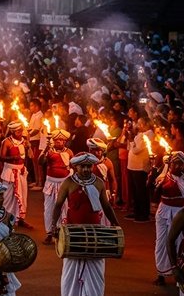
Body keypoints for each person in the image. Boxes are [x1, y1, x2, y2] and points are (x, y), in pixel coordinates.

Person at [50, 152, 120, 296]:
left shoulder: (98, 182)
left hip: (95, 232)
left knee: (96, 271)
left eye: (89, 166)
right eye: (83, 166)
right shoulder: (68, 183)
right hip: (73, 234)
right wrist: (53, 226)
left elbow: (106, 207)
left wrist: (115, 224)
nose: (86, 169)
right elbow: (58, 205)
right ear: (76, 167)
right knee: (71, 270)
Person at [152, 151, 184, 286]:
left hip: (181, 213)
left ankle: (180, 274)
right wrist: (157, 186)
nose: (177, 166)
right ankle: (161, 274)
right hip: (164, 212)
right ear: (170, 163)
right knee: (161, 242)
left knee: (180, 243)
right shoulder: (162, 178)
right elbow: (154, 198)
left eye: (181, 163)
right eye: (175, 163)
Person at [40, 129, 74, 244]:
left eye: (62, 140)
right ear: (53, 141)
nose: (59, 142)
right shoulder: (49, 151)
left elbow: (73, 166)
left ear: (65, 141)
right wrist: (46, 149)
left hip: (64, 184)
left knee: (64, 208)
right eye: (57, 140)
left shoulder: (69, 152)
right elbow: (41, 162)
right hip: (51, 183)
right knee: (49, 208)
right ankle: (50, 233)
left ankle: (62, 232)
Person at [0, 121, 32, 229]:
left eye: (21, 130)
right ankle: (6, 219)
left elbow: (30, 156)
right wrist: (13, 158)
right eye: (18, 131)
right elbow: (1, 157)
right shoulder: (7, 142)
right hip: (10, 172)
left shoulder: (24, 141)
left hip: (21, 172)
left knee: (23, 196)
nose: (20, 132)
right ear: (12, 131)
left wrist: (29, 147)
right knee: (8, 197)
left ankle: (20, 219)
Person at [126, 117, 154, 223]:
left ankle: (143, 213)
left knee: (141, 191)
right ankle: (137, 211)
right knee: (135, 191)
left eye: (140, 123)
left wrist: (132, 140)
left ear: (146, 124)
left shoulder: (148, 134)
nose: (138, 125)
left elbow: (137, 150)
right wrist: (131, 139)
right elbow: (130, 148)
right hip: (132, 166)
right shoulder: (139, 134)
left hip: (140, 167)